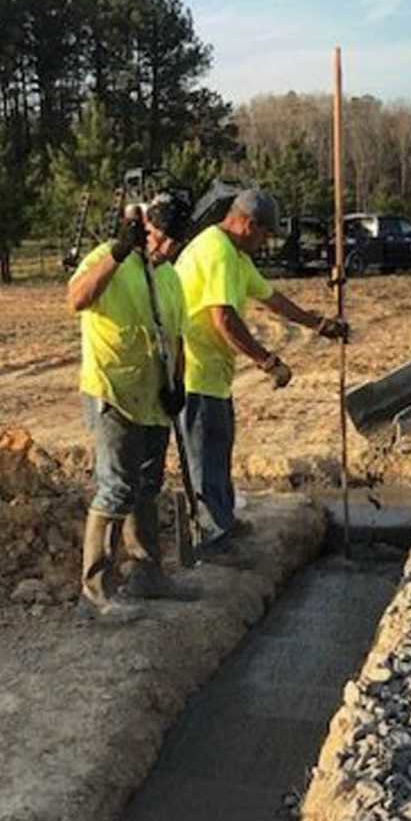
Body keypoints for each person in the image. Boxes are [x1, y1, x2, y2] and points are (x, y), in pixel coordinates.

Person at [173, 187, 348, 560]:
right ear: (248, 224)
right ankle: (212, 542)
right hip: (194, 372)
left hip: (214, 373)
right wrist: (267, 361)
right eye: (266, 234)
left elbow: (272, 299)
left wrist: (318, 324)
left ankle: (223, 522)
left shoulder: (235, 254)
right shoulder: (217, 251)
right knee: (204, 454)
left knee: (219, 448)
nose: (267, 242)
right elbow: (224, 319)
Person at [68, 190, 199, 620]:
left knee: (147, 483)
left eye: (172, 242)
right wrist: (119, 251)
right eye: (158, 238)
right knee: (117, 485)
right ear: (143, 229)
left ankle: (147, 572)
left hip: (154, 396)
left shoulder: (169, 277)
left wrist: (178, 382)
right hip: (114, 390)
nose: (164, 248)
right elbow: (77, 298)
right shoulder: (111, 258)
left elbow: (175, 335)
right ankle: (96, 591)